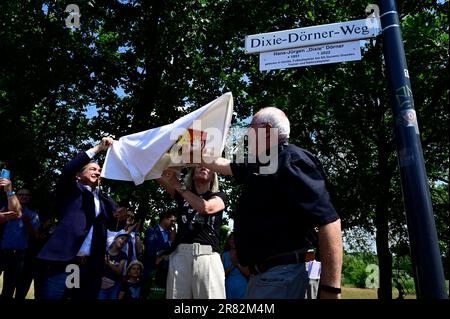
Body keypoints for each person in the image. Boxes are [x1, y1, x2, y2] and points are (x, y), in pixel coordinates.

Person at [200, 107, 343, 299]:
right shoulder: (262, 163)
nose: (246, 133)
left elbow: (330, 221)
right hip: (263, 277)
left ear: (266, 130)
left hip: (283, 276)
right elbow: (225, 166)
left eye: (250, 127)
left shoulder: (291, 161)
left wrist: (331, 289)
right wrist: (190, 152)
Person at [37, 137, 126, 299]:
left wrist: (122, 216)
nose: (97, 172)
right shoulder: (71, 191)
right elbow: (69, 169)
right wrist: (99, 148)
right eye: (92, 169)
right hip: (66, 263)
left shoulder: (106, 200)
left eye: (99, 170)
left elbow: (114, 225)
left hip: (91, 267)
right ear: (79, 175)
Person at [157, 166, 227, 299]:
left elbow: (205, 207)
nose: (203, 166)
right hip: (180, 256)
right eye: (199, 165)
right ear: (192, 175)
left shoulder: (219, 196)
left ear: (213, 177)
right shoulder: (180, 194)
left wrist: (178, 185)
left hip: (208, 257)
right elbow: (154, 172)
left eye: (208, 165)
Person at [0, 188, 40, 299]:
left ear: (30, 198)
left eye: (27, 195)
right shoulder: (5, 208)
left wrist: (28, 223)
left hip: (18, 254)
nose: (24, 196)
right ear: (16, 196)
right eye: (21, 194)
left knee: (10, 285)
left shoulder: (32, 214)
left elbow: (36, 235)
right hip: (2, 251)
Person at [98, 231, 129, 299]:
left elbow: (119, 271)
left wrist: (108, 264)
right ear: (115, 239)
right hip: (102, 285)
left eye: (125, 241)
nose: (123, 241)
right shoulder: (105, 252)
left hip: (114, 286)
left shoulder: (123, 255)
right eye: (122, 238)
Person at [222, 233, 249, 299]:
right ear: (228, 241)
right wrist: (233, 265)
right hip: (228, 286)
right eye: (231, 239)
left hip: (242, 286)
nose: (233, 241)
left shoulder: (244, 254)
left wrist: (237, 264)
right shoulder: (224, 255)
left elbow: (248, 273)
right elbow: (221, 274)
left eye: (235, 239)